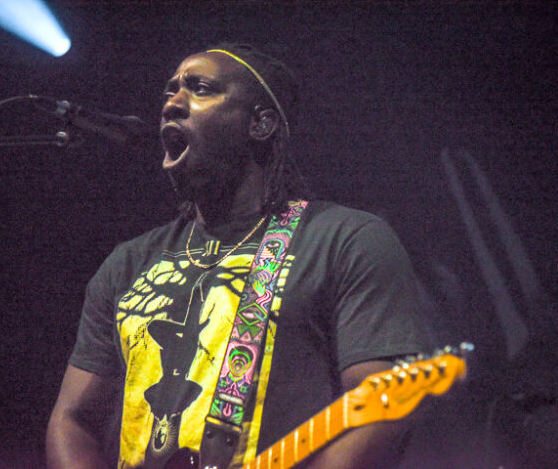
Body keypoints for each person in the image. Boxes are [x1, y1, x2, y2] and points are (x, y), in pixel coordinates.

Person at [46, 43, 430, 469]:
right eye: (170, 91)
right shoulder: (128, 262)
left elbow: (384, 408)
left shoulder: (344, 240)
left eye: (200, 88)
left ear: (261, 123)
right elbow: (72, 419)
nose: (172, 103)